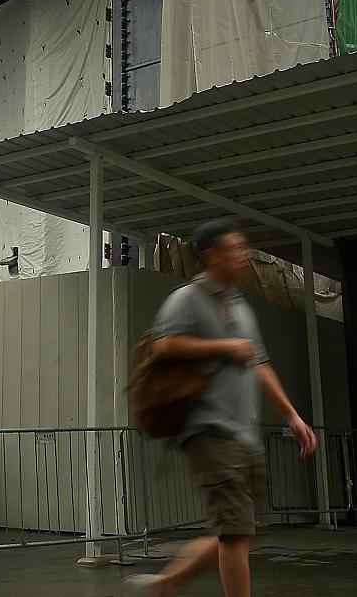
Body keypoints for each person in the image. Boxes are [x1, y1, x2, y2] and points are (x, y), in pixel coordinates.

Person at [126, 219, 317, 597]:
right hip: (208, 428)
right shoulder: (187, 299)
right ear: (211, 256)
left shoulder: (240, 307)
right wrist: (224, 347)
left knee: (237, 532)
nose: (244, 257)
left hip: (244, 433)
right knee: (235, 531)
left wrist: (292, 415)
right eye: (236, 249)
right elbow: (165, 345)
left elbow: (260, 364)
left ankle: (167, 584)